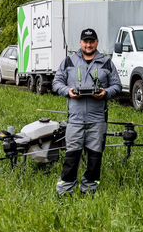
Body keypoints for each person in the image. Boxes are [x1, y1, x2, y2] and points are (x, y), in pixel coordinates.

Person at [52, 28, 122, 196]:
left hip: (97, 119)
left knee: (94, 157)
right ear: (80, 43)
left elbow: (117, 86)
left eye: (92, 41)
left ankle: (89, 190)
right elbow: (56, 83)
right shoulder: (69, 61)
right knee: (72, 156)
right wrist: (67, 91)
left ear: (97, 43)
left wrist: (106, 93)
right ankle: (66, 191)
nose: (88, 44)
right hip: (75, 119)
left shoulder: (106, 62)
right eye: (85, 41)